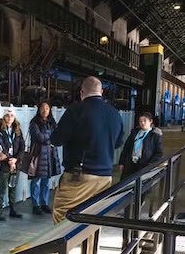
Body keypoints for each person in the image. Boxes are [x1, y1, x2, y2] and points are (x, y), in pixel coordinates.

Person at [51, 76, 124, 224]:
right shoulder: (114, 113)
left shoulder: (76, 110)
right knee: (93, 221)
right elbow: (117, 143)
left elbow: (56, 140)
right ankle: (89, 248)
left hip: (80, 178)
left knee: (63, 220)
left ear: (81, 92)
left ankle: (67, 248)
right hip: (105, 178)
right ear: (101, 91)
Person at [29, 101, 61, 216]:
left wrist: (50, 137)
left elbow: (58, 134)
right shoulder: (34, 123)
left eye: (47, 108)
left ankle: (44, 203)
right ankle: (35, 205)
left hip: (49, 155)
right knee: (36, 181)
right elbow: (39, 137)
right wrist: (51, 136)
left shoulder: (52, 122)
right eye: (42, 108)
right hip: (38, 155)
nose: (45, 110)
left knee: (46, 181)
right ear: (38, 110)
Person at [0, 109, 25, 221]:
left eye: (12, 116)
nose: (9, 118)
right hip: (4, 164)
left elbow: (22, 147)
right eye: (7, 115)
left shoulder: (17, 130)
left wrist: (16, 159)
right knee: (2, 188)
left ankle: (13, 210)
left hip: (15, 164)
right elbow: (0, 146)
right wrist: (9, 159)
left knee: (12, 187)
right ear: (4, 117)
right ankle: (0, 212)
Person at [119, 112, 163, 180]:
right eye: (140, 121)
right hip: (130, 164)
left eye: (145, 121)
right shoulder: (134, 132)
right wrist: (122, 162)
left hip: (144, 165)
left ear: (150, 121)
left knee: (142, 186)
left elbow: (159, 153)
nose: (142, 123)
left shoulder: (155, 136)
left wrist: (150, 165)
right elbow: (126, 148)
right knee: (126, 184)